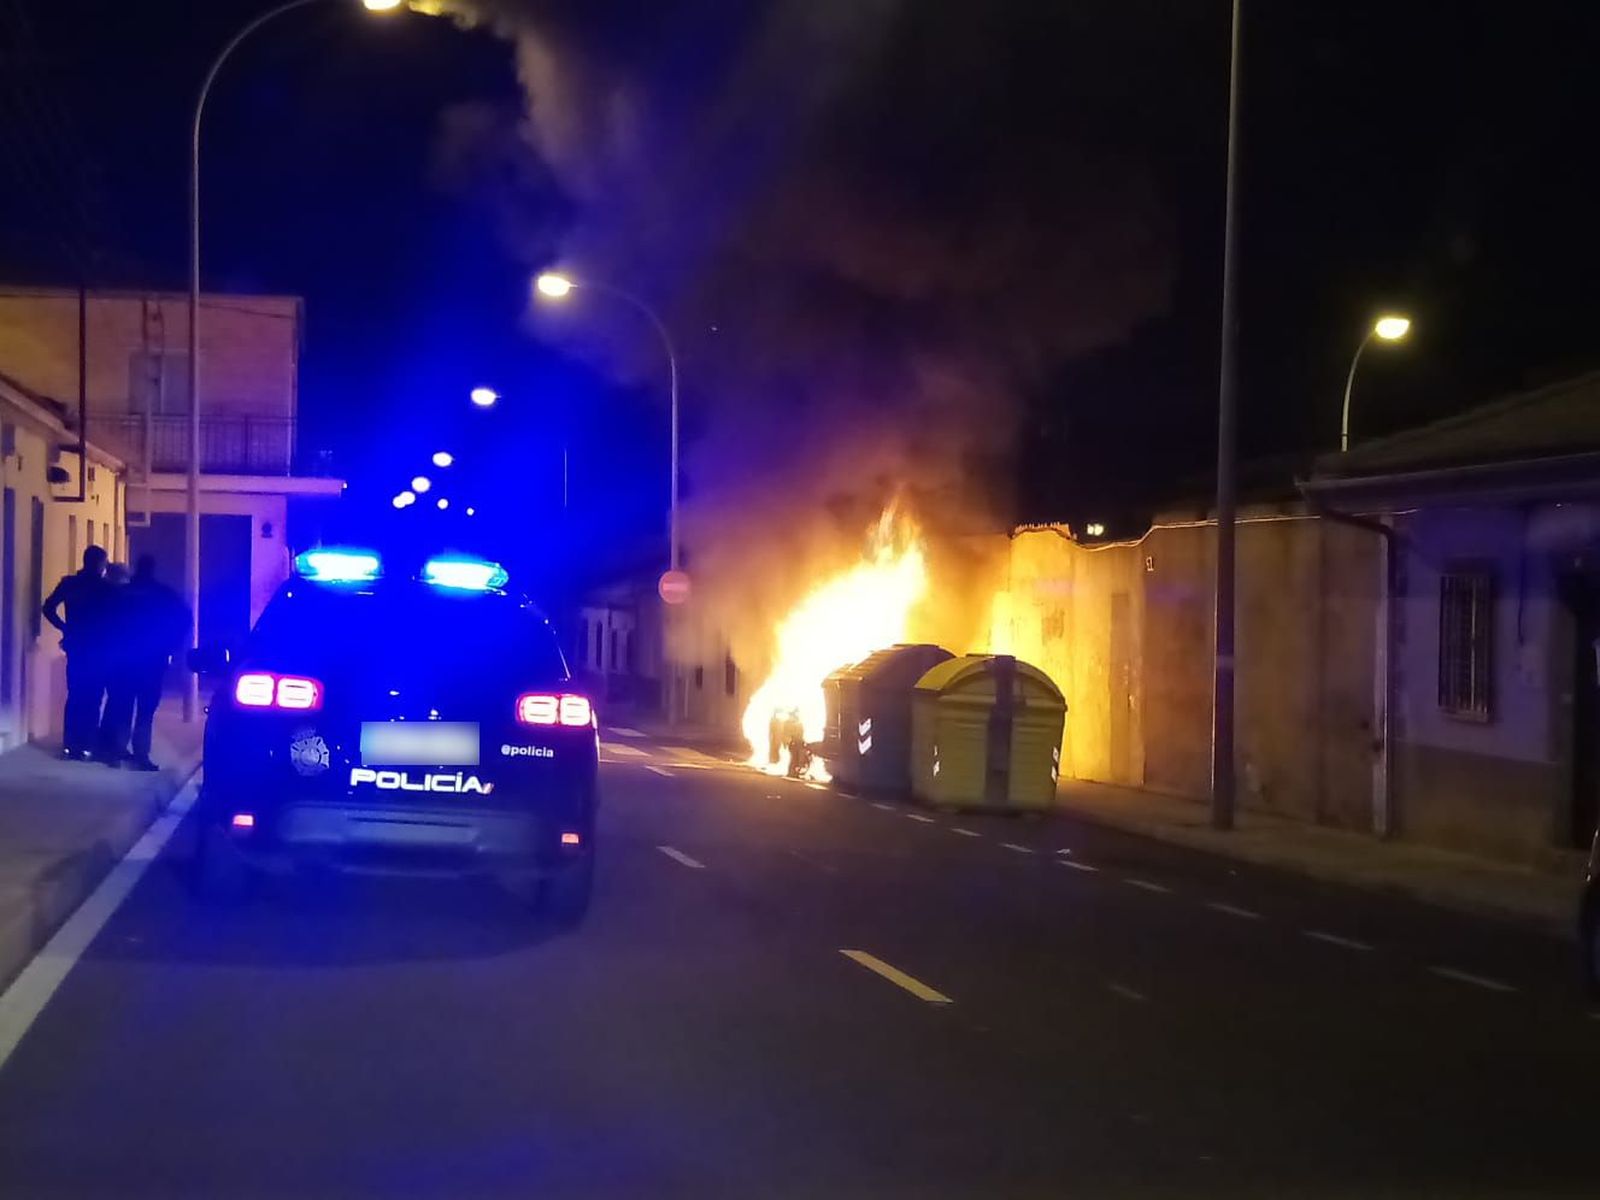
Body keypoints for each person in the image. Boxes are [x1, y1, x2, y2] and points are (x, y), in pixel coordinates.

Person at [101, 556, 189, 771]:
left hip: (124, 659)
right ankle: (141, 755)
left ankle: (116, 751)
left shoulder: (122, 595)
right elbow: (184, 619)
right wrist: (172, 646)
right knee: (145, 710)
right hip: (152, 660)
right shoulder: (164, 595)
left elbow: (106, 622)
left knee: (122, 705)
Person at [42, 545, 110, 760]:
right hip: (98, 647)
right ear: (99, 564)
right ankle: (86, 744)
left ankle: (70, 745)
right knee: (93, 696)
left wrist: (64, 627)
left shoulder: (70, 584)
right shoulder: (104, 588)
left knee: (76, 695)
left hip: (76, 644)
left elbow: (48, 607)